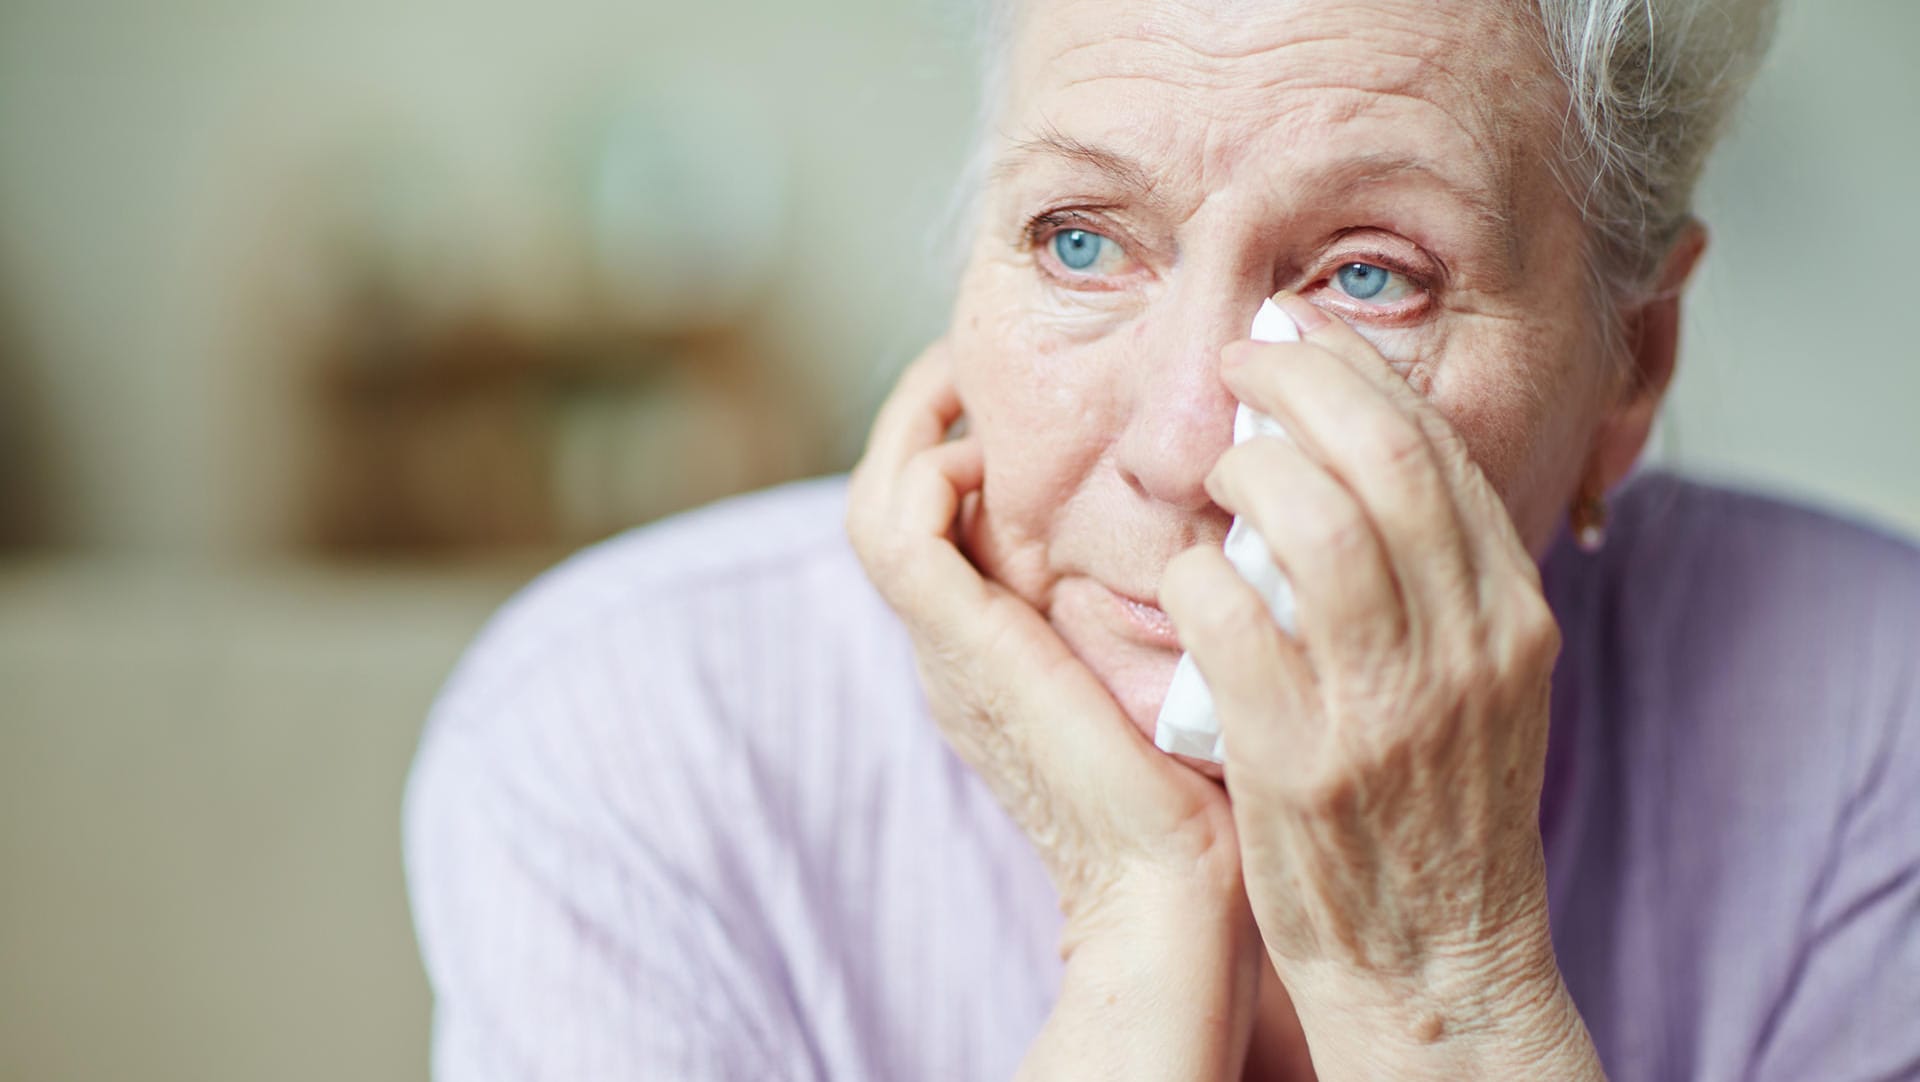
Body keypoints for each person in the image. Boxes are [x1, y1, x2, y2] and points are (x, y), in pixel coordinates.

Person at [404, 0, 1920, 1077]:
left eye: (1372, 276)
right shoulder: (620, 739)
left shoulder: (1872, 726)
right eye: (1079, 239)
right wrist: (1142, 921)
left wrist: (1442, 977)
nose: (1181, 444)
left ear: (1631, 363)